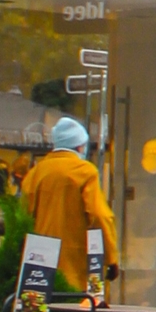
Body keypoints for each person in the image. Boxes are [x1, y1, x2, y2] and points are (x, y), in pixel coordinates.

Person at [21, 117, 121, 297]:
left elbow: (22, 217)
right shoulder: (85, 172)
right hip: (75, 267)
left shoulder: (35, 173)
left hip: (38, 267)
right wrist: (111, 258)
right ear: (80, 147)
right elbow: (100, 216)